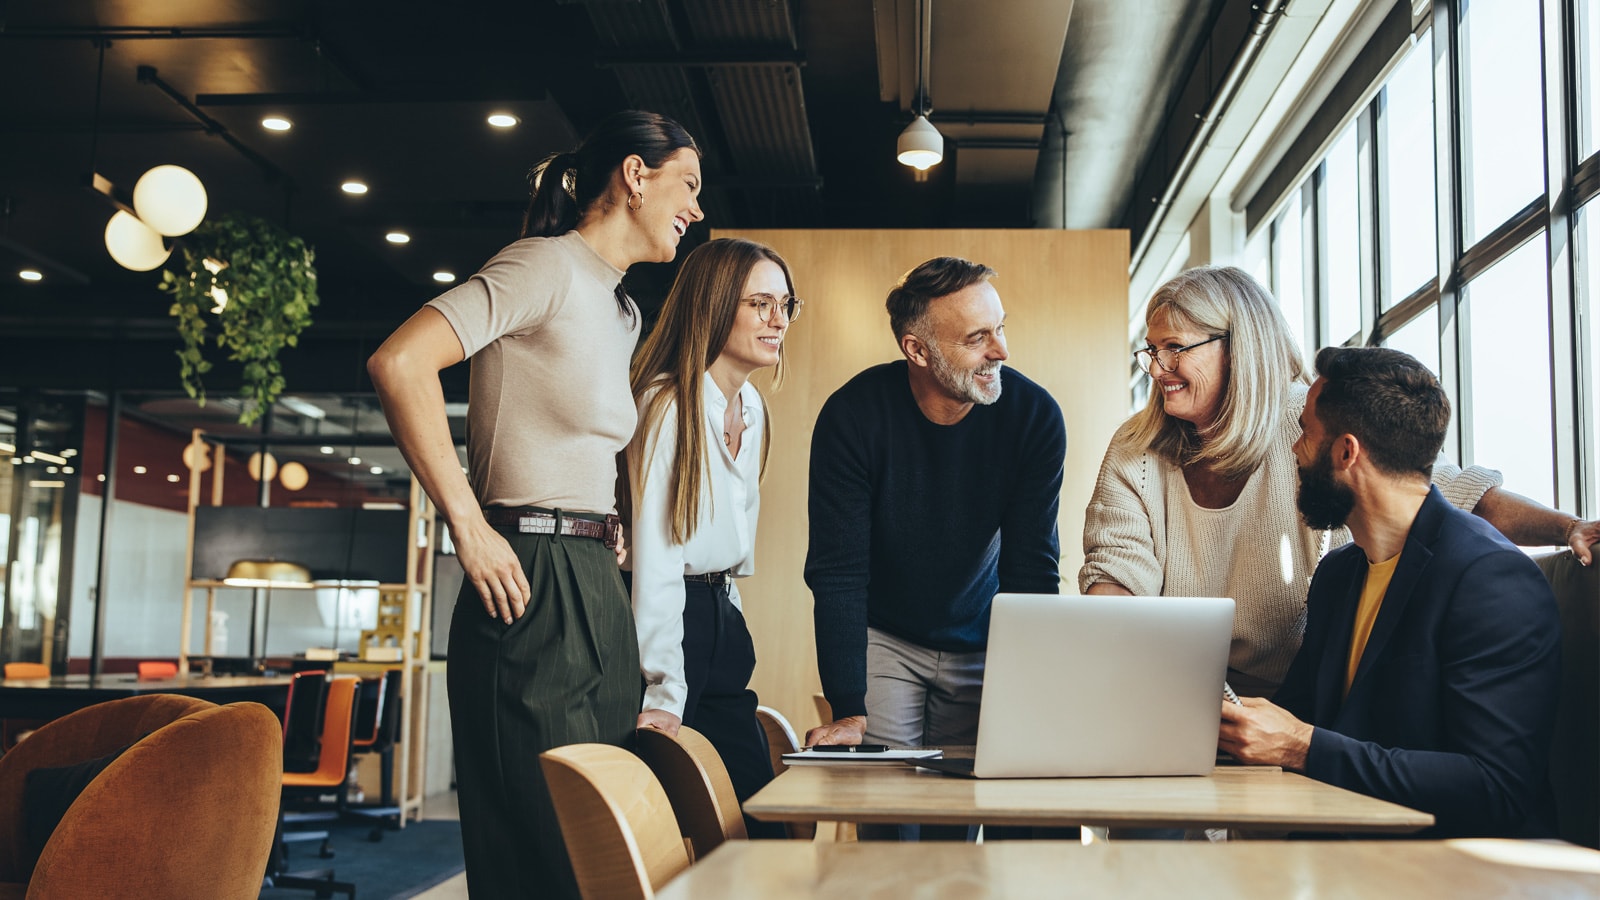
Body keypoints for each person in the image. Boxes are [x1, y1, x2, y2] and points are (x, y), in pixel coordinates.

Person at [366, 110, 702, 900]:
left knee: (605, 848)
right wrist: (468, 525)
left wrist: (607, 521)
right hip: (526, 575)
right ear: (634, 175)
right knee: (543, 851)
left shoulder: (622, 309)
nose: (695, 207)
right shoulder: (542, 266)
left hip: (592, 579)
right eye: (686, 184)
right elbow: (400, 363)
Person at [1080, 266, 1596, 698]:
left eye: (1174, 348)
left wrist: (1568, 527)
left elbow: (1444, 495)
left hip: (1303, 701)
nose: (1157, 368)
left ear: (1238, 348)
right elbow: (1115, 578)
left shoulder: (1308, 423)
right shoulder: (1138, 447)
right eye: (1151, 350)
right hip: (1176, 689)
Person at [1219, 346, 1560, 838]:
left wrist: (1302, 746)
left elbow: (1496, 787)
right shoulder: (1339, 575)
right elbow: (1297, 718)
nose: (1294, 449)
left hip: (1462, 873)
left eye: (1306, 434)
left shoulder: (1493, 580)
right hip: (1346, 855)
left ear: (1346, 452)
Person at [805, 256, 1066, 771]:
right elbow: (838, 571)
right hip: (885, 638)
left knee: (960, 811)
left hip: (986, 635)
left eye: (1001, 329)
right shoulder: (852, 417)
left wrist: (1031, 689)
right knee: (886, 806)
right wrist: (848, 707)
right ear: (917, 349)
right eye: (977, 338)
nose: (1002, 351)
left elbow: (1031, 567)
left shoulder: (1035, 418)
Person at [624, 238, 798, 838]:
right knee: (670, 824)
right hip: (672, 625)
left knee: (757, 818)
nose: (778, 320)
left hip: (720, 615)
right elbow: (656, 559)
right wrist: (666, 688)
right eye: (760, 304)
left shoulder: (750, 406)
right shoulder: (667, 404)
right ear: (715, 305)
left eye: (785, 304)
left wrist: (731, 616)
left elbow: (732, 544)